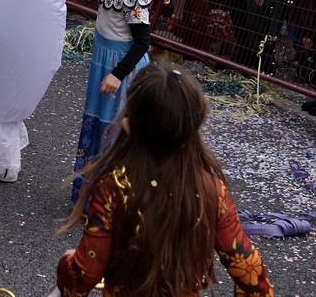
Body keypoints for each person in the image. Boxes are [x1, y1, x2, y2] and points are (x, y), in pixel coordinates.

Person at [56, 63, 273, 297]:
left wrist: (67, 265)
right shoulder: (210, 188)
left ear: (127, 126)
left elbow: (83, 277)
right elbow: (250, 273)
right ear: (193, 128)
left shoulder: (115, 186)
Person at [66, 0, 170, 201]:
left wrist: (116, 74)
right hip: (104, 58)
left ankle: (112, 197)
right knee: (96, 120)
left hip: (121, 65)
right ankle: (88, 191)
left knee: (113, 126)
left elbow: (141, 42)